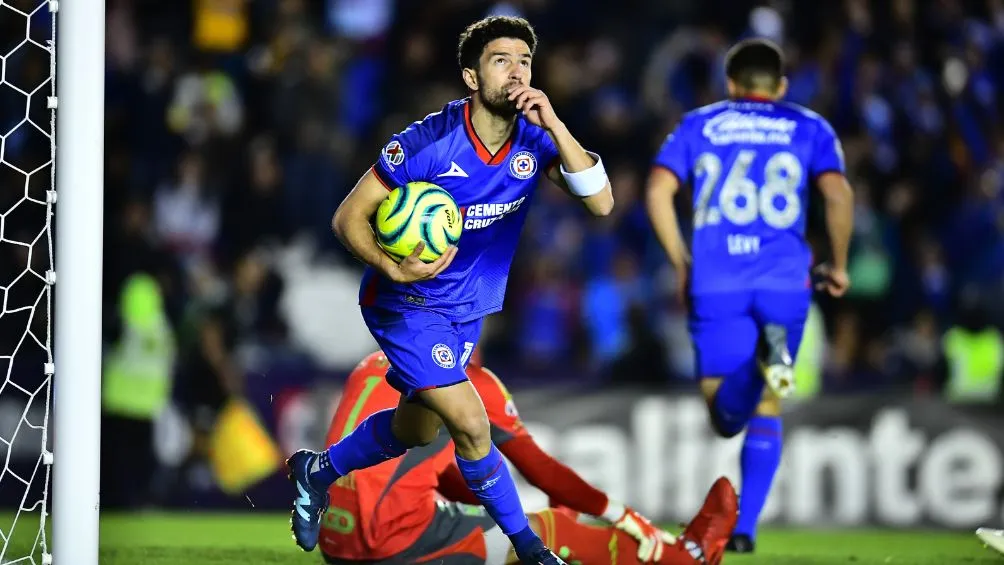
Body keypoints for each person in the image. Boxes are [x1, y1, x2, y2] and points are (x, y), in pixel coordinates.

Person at [288, 15, 614, 565]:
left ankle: (317, 471)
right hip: (406, 303)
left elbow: (601, 203)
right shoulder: (429, 142)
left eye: (525, 61)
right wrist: (391, 268)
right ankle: (532, 550)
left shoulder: (535, 139)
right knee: (471, 424)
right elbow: (347, 218)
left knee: (415, 430)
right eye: (501, 61)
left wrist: (556, 124)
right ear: (471, 77)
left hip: (465, 310)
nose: (516, 72)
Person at [645, 38, 853, 553]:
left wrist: (681, 261)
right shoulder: (810, 126)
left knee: (725, 417)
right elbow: (837, 194)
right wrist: (839, 264)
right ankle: (746, 529)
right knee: (769, 402)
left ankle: (759, 361)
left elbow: (657, 190)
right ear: (780, 87)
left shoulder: (699, 124)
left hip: (718, 281)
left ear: (730, 84)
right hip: (787, 286)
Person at [316, 351, 738, 565]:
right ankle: (687, 556)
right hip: (386, 544)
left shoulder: (370, 364)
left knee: (511, 524)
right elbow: (542, 471)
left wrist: (502, 508)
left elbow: (418, 469)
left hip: (334, 543)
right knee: (551, 529)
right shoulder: (465, 380)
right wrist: (620, 512)